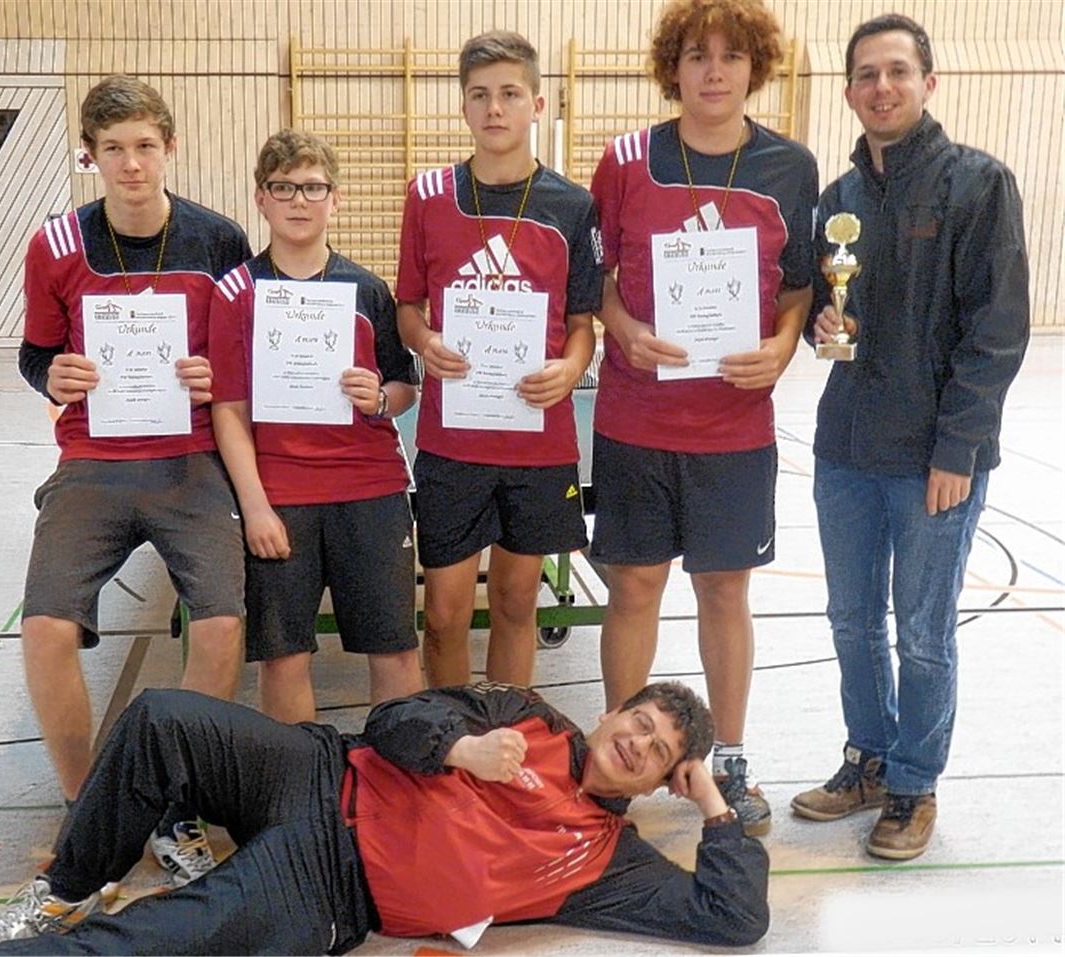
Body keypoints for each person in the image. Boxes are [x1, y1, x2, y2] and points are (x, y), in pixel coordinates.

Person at [0, 681, 768, 953]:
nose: (637, 740)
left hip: (332, 886)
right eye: (639, 720)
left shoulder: (606, 859)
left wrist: (715, 806)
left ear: (668, 776)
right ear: (612, 711)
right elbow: (394, 717)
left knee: (149, 942)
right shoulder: (524, 711)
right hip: (317, 771)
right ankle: (66, 886)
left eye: (660, 749)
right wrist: (461, 749)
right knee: (161, 716)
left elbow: (732, 916)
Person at [790, 14, 1030, 860]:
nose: (881, 87)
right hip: (846, 449)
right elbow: (837, 316)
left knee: (922, 632)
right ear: (850, 91)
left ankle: (915, 781)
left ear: (929, 83)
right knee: (852, 621)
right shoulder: (838, 201)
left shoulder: (979, 185)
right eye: (866, 74)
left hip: (934, 460)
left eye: (898, 71)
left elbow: (996, 333)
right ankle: (869, 757)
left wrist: (957, 452)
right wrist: (826, 326)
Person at [15, 75, 252, 885]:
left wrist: (210, 373)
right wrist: (58, 376)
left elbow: (240, 357)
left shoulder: (217, 240)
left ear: (170, 148)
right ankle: (95, 806)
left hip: (189, 459)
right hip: (92, 460)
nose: (130, 164)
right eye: (112, 149)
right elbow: (33, 353)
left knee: (221, 622)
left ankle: (179, 797)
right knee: (45, 627)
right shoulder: (54, 244)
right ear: (92, 157)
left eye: (144, 145)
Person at [588, 0, 817, 836]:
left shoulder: (791, 167)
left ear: (756, 67)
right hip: (636, 419)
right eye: (696, 55)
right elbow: (598, 275)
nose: (713, 70)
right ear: (672, 67)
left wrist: (783, 346)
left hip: (734, 429)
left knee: (724, 589)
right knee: (635, 587)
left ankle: (733, 756)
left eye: (730, 56)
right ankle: (617, 762)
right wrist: (625, 327)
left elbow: (798, 289)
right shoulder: (625, 159)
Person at [396, 31, 603, 688]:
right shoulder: (427, 196)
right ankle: (456, 748)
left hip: (538, 445)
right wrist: (424, 343)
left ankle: (509, 743)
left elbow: (582, 327)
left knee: (516, 603)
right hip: (452, 440)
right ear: (463, 107)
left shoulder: (572, 206)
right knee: (446, 615)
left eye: (510, 94)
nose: (495, 108)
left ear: (536, 104)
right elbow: (407, 306)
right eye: (479, 95)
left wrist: (570, 369)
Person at [209, 129, 423, 723]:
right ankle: (296, 790)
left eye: (312, 187)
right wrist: (254, 507)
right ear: (261, 199)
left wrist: (379, 398)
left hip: (370, 492)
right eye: (284, 188)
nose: (298, 201)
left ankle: (396, 788)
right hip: (281, 500)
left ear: (336, 198)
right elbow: (227, 408)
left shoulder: (367, 290)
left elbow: (405, 386)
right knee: (284, 658)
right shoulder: (235, 293)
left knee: (397, 651)